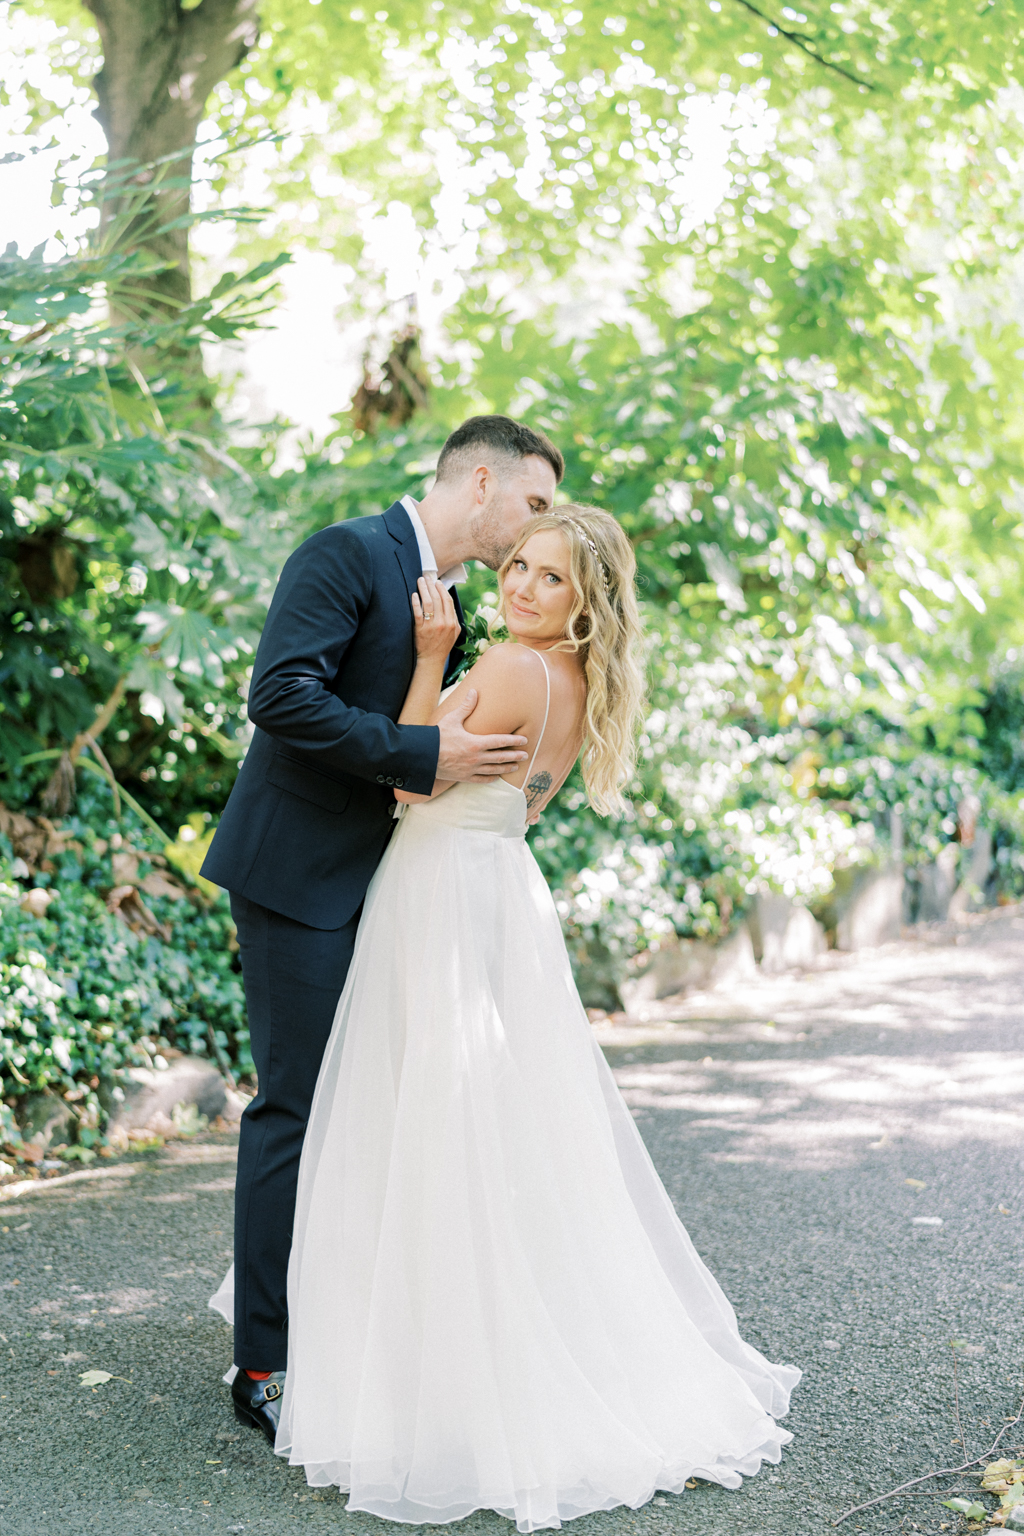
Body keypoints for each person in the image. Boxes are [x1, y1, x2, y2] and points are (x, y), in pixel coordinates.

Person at [212, 505, 800, 1530]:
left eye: (550, 581)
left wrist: (434, 652)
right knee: (485, 1111)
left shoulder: (513, 668)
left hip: (434, 891)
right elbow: (522, 804)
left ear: (585, 607)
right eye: (520, 567)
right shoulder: (576, 687)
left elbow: (410, 772)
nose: (521, 588)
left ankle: (420, 1342)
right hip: (497, 890)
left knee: (421, 1106)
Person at [200, 415, 565, 1428]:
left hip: (389, 886)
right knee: (297, 1108)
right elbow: (279, 697)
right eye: (535, 504)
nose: (542, 527)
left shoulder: (447, 601)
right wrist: (420, 761)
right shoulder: (349, 552)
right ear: (481, 481)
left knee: (375, 1107)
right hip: (300, 875)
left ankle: (346, 1322)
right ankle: (263, 1367)